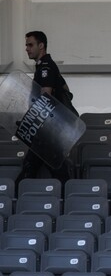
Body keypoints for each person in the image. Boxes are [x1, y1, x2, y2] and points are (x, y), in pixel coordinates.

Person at [16, 30, 77, 184]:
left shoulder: (45, 67)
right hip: (48, 128)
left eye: (30, 45)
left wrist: (29, 119)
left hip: (46, 129)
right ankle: (68, 190)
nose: (27, 49)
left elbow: (45, 98)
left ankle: (69, 191)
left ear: (41, 45)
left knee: (37, 167)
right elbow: (66, 89)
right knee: (43, 166)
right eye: (26, 45)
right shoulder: (46, 66)